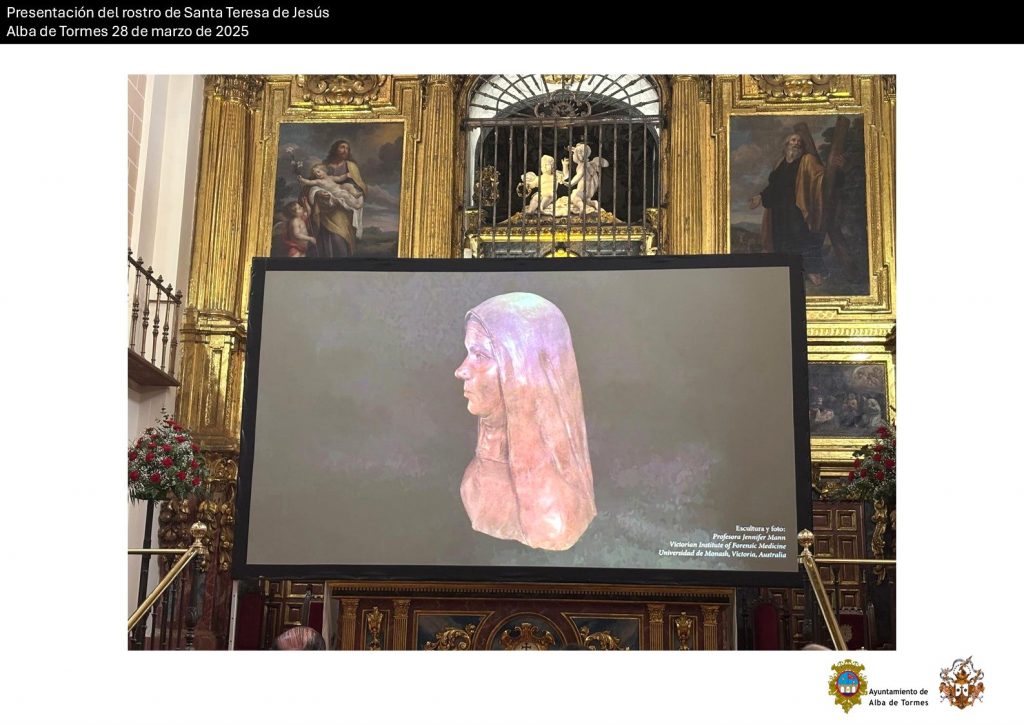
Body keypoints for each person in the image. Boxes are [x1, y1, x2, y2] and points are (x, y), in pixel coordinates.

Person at [454, 292, 596, 551]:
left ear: (522, 369)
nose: (460, 370)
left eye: (480, 355)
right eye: (468, 354)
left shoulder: (552, 514)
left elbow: (552, 528)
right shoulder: (473, 481)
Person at [749, 133, 827, 286]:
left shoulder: (807, 160)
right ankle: (787, 274)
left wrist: (835, 169)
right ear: (786, 144)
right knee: (781, 241)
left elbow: (821, 176)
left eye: (799, 141)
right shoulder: (780, 163)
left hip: (797, 209)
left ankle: (812, 271)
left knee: (803, 238)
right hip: (779, 211)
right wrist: (760, 196)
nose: (796, 143)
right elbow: (773, 186)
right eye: (793, 140)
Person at [303, 139, 366, 257]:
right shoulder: (323, 167)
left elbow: (360, 185)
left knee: (340, 237)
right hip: (325, 208)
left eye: (347, 148)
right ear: (335, 149)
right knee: (327, 237)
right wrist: (317, 193)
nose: (345, 150)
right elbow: (310, 184)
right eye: (342, 147)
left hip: (343, 208)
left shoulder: (351, 166)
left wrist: (353, 190)